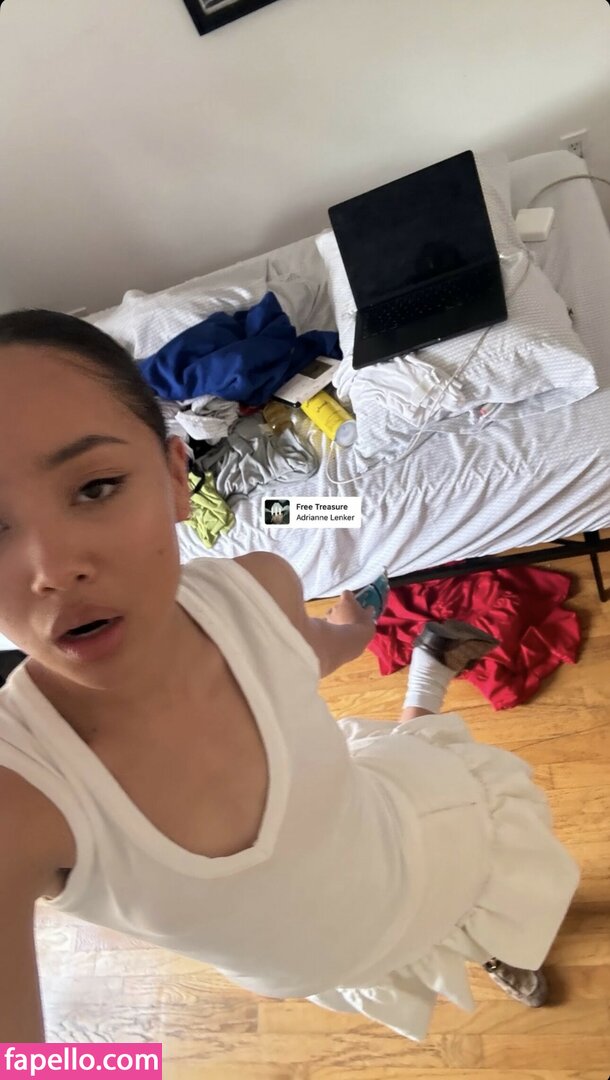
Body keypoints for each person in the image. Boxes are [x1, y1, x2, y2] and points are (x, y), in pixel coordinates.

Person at [0, 310, 579, 1043]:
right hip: (322, 959)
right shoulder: (17, 802)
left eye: (97, 487)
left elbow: (311, 652)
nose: (54, 570)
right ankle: (429, 668)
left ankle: (495, 937)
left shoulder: (259, 590)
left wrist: (356, 628)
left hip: (416, 847)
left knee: (489, 894)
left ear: (177, 479)